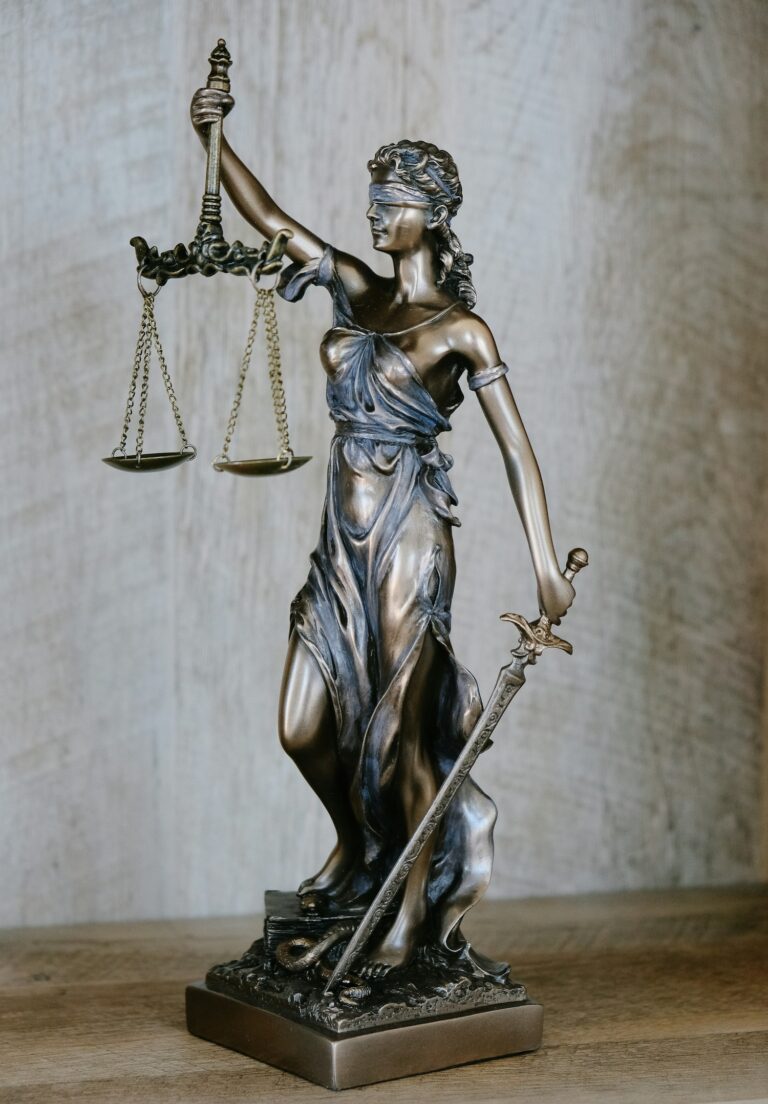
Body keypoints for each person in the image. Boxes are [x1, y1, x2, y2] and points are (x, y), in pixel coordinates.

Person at [191, 89, 575, 979]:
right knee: (301, 725)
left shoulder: (461, 332)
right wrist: (211, 136)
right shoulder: (360, 294)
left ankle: (406, 922)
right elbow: (274, 220)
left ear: (435, 215)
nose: (375, 212)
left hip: (410, 536)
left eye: (393, 199)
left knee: (401, 732)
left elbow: (519, 454)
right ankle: (361, 846)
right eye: (373, 196)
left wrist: (546, 565)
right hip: (340, 545)